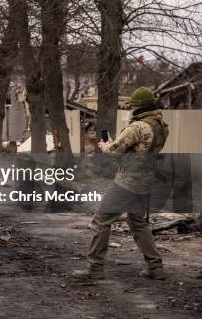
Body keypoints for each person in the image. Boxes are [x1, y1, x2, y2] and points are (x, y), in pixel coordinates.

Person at [72, 87, 169, 280]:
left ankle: (94, 268)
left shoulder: (138, 127)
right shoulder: (161, 126)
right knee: (138, 222)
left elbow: (115, 150)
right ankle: (155, 267)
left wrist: (104, 145)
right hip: (146, 180)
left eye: (133, 106)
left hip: (128, 181)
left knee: (101, 220)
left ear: (138, 107)